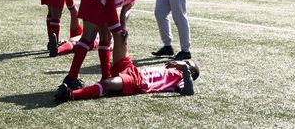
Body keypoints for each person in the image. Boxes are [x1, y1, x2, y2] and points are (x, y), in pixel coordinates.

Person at [62, 0, 177, 90]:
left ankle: (105, 76)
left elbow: (127, 6)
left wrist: (123, 26)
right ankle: (71, 77)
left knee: (105, 37)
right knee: (88, 37)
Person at [54, 29, 200, 102]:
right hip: (133, 71)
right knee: (120, 37)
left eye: (188, 64)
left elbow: (189, 91)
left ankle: (71, 95)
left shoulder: (182, 78)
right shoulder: (171, 68)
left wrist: (184, 67)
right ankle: (118, 14)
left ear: (191, 74)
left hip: (139, 82)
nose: (183, 64)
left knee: (107, 83)